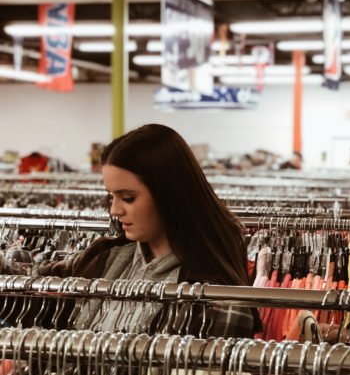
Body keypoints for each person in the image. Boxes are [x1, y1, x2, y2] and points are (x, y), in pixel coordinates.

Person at [0, 124, 259, 336]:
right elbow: (28, 285)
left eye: (128, 198)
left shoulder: (216, 299)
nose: (114, 210)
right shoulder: (106, 256)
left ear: (170, 196)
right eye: (112, 196)